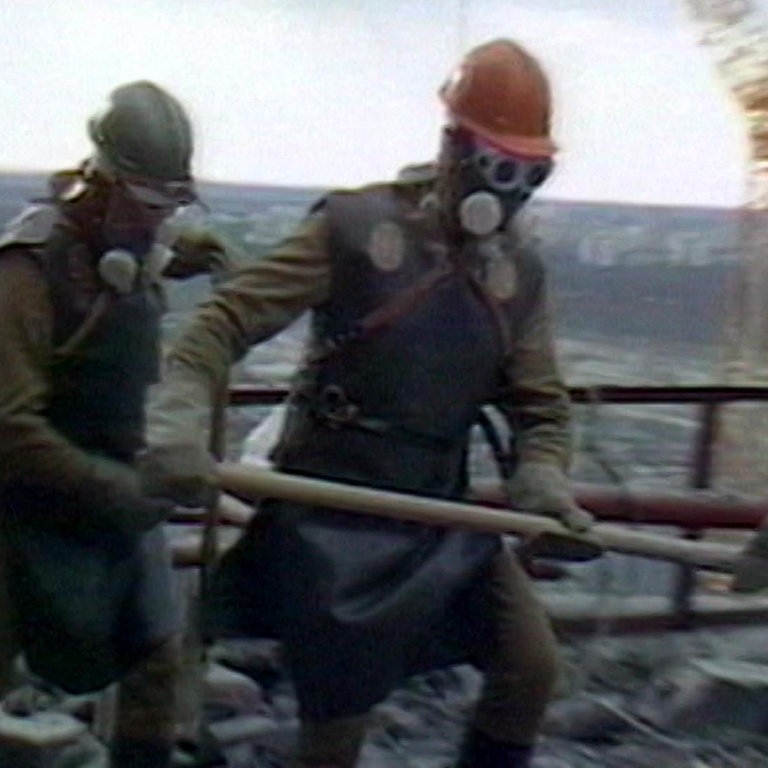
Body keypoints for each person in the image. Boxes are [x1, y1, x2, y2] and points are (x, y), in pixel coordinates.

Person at [142, 39, 593, 768]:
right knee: (338, 717)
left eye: (529, 173)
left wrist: (542, 477)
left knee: (529, 667)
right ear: (454, 146)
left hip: (440, 512)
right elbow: (220, 325)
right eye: (498, 164)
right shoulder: (355, 229)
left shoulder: (516, 273)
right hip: (332, 515)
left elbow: (539, 405)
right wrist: (178, 425)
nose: (509, 190)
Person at [0, 80, 226, 768]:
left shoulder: (125, 254)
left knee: (155, 659)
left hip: (111, 499)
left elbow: (118, 273)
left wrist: (183, 257)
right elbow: (8, 427)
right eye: (150, 204)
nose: (160, 223)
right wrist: (113, 488)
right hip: (21, 509)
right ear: (102, 182)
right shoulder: (25, 271)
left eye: (173, 205)